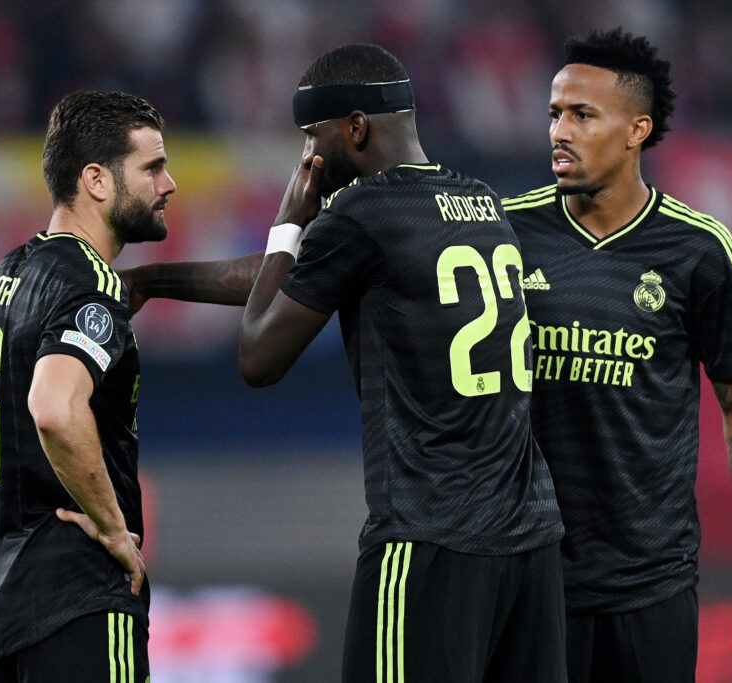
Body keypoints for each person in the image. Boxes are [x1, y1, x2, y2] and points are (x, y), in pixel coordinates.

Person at [236, 43, 566, 682]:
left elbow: (257, 354)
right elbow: (297, 284)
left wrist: (288, 221)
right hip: (531, 543)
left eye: (313, 135)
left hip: (430, 539)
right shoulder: (483, 203)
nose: (308, 157)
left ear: (354, 128)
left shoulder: (359, 214)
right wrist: (158, 281)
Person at [501, 28, 732, 682]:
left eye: (582, 114)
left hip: (651, 587)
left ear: (636, 130)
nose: (559, 131)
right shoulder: (506, 231)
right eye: (553, 114)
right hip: (532, 577)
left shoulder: (699, 251)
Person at [0, 89, 176, 682]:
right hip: (84, 604)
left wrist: (4, 518)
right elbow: (53, 407)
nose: (168, 183)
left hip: (7, 622)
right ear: (97, 180)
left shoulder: (3, 280)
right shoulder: (89, 285)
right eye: (151, 167)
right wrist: (110, 528)